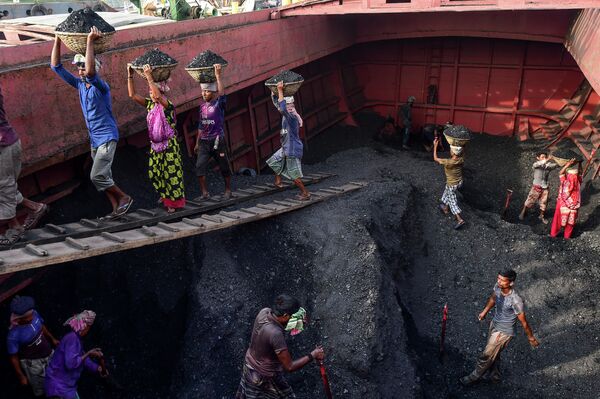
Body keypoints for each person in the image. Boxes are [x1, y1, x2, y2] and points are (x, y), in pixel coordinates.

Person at [50, 28, 133, 219]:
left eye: (82, 66)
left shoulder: (101, 87)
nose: (80, 70)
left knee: (97, 176)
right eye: (78, 67)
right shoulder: (79, 85)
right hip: (95, 139)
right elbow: (55, 66)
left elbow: (90, 72)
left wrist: (89, 41)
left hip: (106, 138)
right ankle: (115, 209)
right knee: (104, 177)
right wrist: (57, 39)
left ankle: (124, 197)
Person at [236, 294, 325, 398]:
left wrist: (298, 323)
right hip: (264, 377)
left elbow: (278, 327)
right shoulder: (275, 334)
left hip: (250, 367)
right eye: (293, 316)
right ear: (285, 315)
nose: (294, 319)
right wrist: (313, 354)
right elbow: (289, 367)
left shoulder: (264, 312)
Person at [460, 270, 539, 386]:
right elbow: (493, 298)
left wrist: (531, 338)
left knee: (486, 355)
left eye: (502, 280)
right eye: (498, 278)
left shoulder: (516, 300)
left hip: (504, 332)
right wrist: (484, 312)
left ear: (511, 283)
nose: (499, 281)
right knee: (494, 353)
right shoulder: (498, 287)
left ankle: (474, 377)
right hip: (494, 325)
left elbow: (524, 322)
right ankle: (495, 376)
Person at [127, 64, 186, 213]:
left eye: (153, 91)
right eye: (150, 92)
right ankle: (165, 196)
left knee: (171, 175)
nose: (151, 94)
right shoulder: (149, 105)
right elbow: (132, 95)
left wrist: (148, 76)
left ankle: (173, 203)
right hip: (155, 146)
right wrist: (130, 75)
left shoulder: (168, 105)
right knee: (155, 173)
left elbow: (158, 97)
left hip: (169, 146)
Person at [0, 85, 48, 246]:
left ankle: (16, 227)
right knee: (6, 188)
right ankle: (32, 209)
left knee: (4, 189)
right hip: (9, 142)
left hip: (3, 147)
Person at [45, 310, 108, 398]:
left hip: (67, 385)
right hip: (58, 388)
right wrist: (89, 353)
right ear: (85, 327)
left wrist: (97, 368)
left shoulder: (75, 338)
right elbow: (71, 364)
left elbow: (80, 355)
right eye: (89, 328)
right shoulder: (72, 340)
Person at [7, 296, 59, 397]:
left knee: (56, 374)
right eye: (28, 317)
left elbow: (42, 326)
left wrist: (52, 339)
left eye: (31, 314)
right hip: (34, 363)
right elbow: (13, 357)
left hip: (48, 353)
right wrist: (21, 376)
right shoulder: (13, 335)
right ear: (19, 318)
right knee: (40, 386)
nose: (32, 317)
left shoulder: (34, 314)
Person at [266, 81, 310, 201]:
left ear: (293, 108)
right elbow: (279, 105)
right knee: (274, 161)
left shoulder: (291, 118)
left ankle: (305, 193)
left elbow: (283, 108)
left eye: (292, 106)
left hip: (292, 150)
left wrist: (280, 91)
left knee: (293, 175)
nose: (290, 108)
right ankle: (278, 181)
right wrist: (273, 92)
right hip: (286, 147)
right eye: (289, 106)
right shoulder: (286, 116)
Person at [194, 64, 232, 200]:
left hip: (217, 140)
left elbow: (222, 93)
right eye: (203, 91)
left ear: (213, 92)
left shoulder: (219, 104)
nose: (204, 94)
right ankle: (204, 193)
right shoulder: (202, 107)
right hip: (204, 141)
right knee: (199, 166)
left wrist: (218, 76)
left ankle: (228, 190)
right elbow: (200, 125)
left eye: (207, 91)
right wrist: (197, 143)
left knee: (223, 165)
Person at [433, 136, 466, 229]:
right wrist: (462, 145)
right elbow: (463, 151)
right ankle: (445, 208)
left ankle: (460, 219)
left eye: (451, 150)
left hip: (452, 184)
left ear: (453, 152)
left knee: (452, 201)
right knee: (447, 192)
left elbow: (435, 158)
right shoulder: (461, 159)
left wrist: (435, 146)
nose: (450, 151)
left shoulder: (448, 162)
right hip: (459, 182)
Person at [519, 151, 558, 224]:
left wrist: (563, 161)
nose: (544, 158)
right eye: (542, 157)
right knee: (529, 200)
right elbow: (538, 164)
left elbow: (557, 165)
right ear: (538, 158)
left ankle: (541, 216)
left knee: (544, 203)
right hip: (536, 187)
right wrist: (547, 159)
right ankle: (523, 212)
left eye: (545, 157)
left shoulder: (548, 166)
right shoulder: (536, 165)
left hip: (545, 188)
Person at [550, 158, 582, 239]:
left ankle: (553, 235)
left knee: (557, 220)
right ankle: (567, 237)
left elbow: (560, 173)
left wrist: (567, 164)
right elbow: (581, 173)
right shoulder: (578, 182)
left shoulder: (565, 182)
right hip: (574, 206)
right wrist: (580, 164)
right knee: (570, 223)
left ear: (568, 175)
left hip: (562, 205)